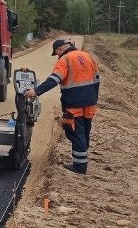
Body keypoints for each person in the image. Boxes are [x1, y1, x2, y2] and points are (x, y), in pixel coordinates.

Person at [24, 38, 100, 174]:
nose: (57, 56)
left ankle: (79, 167)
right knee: (85, 131)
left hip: (74, 103)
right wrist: (94, 99)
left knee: (76, 133)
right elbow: (97, 80)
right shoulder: (88, 56)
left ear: (59, 49)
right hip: (90, 103)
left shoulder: (65, 59)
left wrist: (36, 91)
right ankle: (82, 160)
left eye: (57, 53)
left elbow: (54, 79)